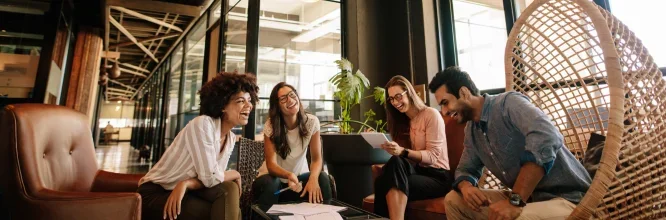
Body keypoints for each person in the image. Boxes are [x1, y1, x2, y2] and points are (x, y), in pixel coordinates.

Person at [429, 67, 591, 220]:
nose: (444, 112)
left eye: (445, 102)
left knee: (517, 218)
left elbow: (547, 135)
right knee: (453, 200)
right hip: (527, 200)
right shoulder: (471, 131)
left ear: (463, 93)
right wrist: (466, 187)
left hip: (569, 199)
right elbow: (465, 169)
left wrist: (515, 200)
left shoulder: (508, 104)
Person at [137, 72, 259, 220]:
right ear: (222, 105)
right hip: (156, 193)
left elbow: (214, 180)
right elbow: (211, 178)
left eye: (249, 100)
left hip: (185, 190)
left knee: (229, 191)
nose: (249, 105)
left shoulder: (231, 138)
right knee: (223, 208)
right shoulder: (203, 124)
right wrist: (236, 173)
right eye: (241, 101)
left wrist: (186, 184)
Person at [373, 75, 452, 220]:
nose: (395, 102)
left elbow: (433, 157)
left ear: (409, 93)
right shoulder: (403, 121)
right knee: (391, 168)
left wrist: (403, 151)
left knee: (388, 180)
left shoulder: (431, 115)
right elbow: (404, 160)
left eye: (398, 96)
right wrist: (388, 146)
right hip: (418, 171)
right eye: (391, 99)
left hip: (438, 177)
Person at [251, 82, 332, 205]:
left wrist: (313, 179)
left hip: (297, 183)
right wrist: (289, 175)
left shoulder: (312, 122)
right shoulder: (271, 125)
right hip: (273, 183)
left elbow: (316, 159)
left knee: (322, 178)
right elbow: (271, 165)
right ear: (277, 105)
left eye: (292, 95)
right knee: (272, 183)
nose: (290, 100)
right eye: (283, 98)